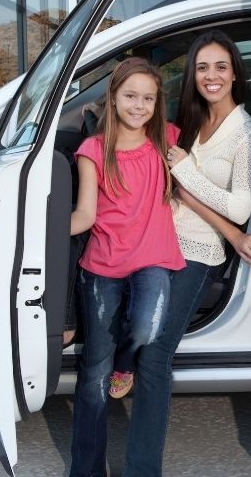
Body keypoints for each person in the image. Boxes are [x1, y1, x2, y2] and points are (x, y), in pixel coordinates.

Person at [119, 30, 251, 475]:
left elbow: (240, 206)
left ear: (235, 72)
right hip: (154, 237)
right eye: (202, 67)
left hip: (198, 249)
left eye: (221, 66)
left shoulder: (247, 132)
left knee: (156, 354)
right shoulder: (188, 117)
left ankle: (142, 470)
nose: (211, 76)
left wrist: (183, 171)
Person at [68, 57, 185, 477]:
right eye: (131, 96)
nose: (139, 105)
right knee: (93, 376)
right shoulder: (92, 150)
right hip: (102, 266)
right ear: (113, 98)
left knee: (146, 327)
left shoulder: (166, 142)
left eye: (148, 98)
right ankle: (85, 469)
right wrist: (37, 234)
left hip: (153, 258)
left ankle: (126, 363)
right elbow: (84, 214)